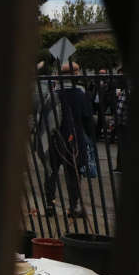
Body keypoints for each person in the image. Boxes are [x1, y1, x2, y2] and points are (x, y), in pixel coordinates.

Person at [37, 62, 95, 217]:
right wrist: (90, 137)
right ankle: (73, 207)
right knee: (73, 174)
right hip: (74, 139)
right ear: (75, 74)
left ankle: (50, 205)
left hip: (53, 139)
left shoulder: (52, 95)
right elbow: (88, 121)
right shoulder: (80, 95)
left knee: (51, 173)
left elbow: (42, 118)